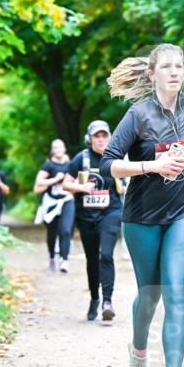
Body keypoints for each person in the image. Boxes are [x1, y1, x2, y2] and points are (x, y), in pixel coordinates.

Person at [100, 43, 184, 367]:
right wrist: (151, 166)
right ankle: (138, 351)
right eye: (166, 66)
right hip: (143, 216)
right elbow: (109, 164)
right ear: (152, 74)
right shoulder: (138, 115)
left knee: (175, 291)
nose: (174, 72)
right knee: (150, 293)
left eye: (179, 65)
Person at [63, 121, 124, 322]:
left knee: (105, 254)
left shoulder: (115, 157)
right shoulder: (82, 158)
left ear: (110, 137)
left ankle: (108, 301)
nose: (101, 139)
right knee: (92, 260)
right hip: (87, 215)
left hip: (111, 212)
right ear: (90, 139)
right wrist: (82, 188)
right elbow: (65, 183)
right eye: (96, 136)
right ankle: (94, 298)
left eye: (104, 135)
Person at [33, 139, 74, 273]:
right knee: (52, 232)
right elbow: (38, 185)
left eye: (60, 147)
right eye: (55, 147)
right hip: (51, 202)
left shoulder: (70, 164)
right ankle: (52, 256)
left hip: (67, 200)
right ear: (52, 150)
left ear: (64, 148)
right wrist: (55, 180)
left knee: (66, 230)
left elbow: (77, 180)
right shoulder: (48, 166)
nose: (58, 149)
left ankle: (65, 260)